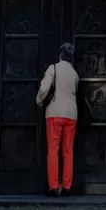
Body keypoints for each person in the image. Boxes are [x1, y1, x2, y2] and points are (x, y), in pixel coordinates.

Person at [36, 41, 79, 196]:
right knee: (68, 151)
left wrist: (39, 101)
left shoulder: (53, 68)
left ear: (60, 54)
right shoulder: (74, 74)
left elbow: (44, 88)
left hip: (54, 113)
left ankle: (53, 186)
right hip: (71, 115)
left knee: (53, 150)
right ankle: (67, 186)